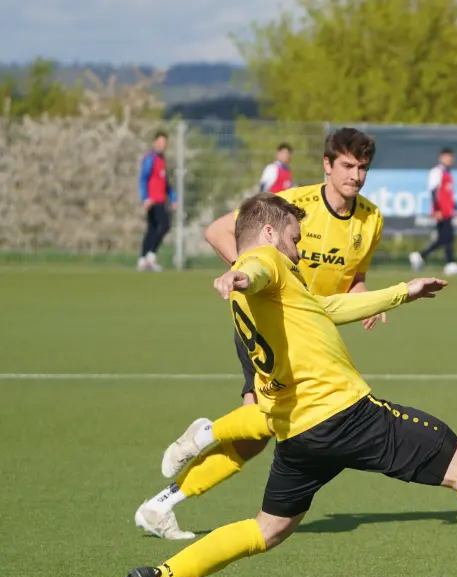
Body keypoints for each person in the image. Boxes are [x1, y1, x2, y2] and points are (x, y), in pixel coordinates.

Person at [108, 193, 457, 577]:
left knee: (269, 529)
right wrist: (240, 276)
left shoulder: (280, 286)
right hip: (348, 415)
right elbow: (257, 268)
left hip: (299, 433)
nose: (296, 247)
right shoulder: (261, 267)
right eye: (292, 238)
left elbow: (327, 309)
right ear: (268, 232)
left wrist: (402, 292)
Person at [134, 128, 388, 541]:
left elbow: (355, 277)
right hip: (268, 329)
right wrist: (249, 278)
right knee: (268, 423)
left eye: (363, 168)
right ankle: (204, 436)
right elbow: (218, 231)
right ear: (327, 164)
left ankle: (160, 506)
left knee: (257, 435)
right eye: (346, 166)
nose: (355, 176)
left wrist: (366, 299)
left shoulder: (371, 218)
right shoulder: (290, 204)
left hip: (308, 340)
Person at [410, 147, 457, 275]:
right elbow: (434, 191)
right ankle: (428, 257)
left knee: (446, 237)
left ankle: (446, 262)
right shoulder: (437, 171)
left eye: (451, 157)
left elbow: (449, 194)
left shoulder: (448, 173)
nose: (450, 160)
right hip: (441, 211)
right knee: (446, 237)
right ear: (441, 157)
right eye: (447, 157)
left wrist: (456, 208)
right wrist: (437, 209)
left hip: (448, 210)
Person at [137, 131, 176, 272]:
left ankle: (143, 259)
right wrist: (145, 198)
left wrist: (173, 197)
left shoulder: (161, 160)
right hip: (153, 201)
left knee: (152, 229)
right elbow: (143, 178)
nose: (162, 145)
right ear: (155, 143)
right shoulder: (150, 158)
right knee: (165, 225)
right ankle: (150, 255)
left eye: (164, 143)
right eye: (160, 142)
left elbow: (165, 183)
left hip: (161, 199)